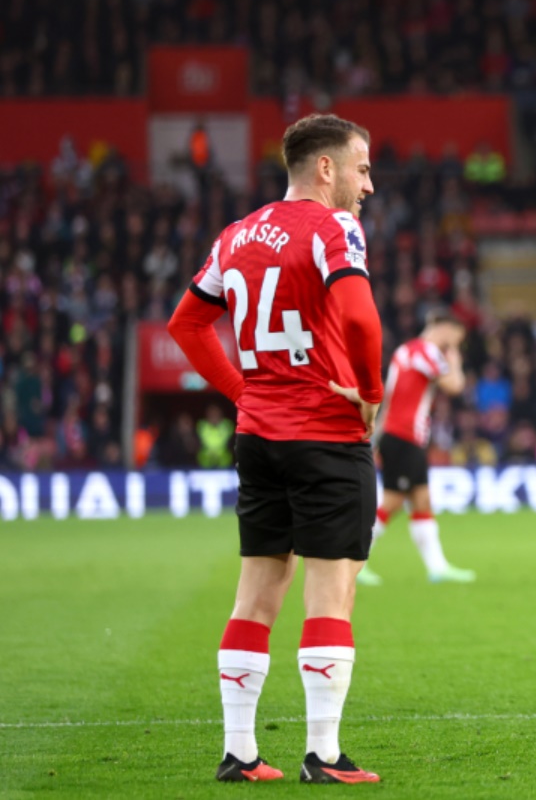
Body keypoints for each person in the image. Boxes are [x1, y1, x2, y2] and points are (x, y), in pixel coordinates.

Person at [168, 113, 383, 784]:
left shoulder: (236, 235)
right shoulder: (334, 227)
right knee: (330, 595)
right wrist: (371, 390)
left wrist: (242, 390)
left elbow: (187, 322)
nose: (367, 185)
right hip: (324, 430)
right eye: (362, 167)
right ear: (327, 168)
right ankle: (322, 753)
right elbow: (358, 313)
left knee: (254, 594)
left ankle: (239, 751)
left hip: (258, 435)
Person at [359, 312, 474, 586]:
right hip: (405, 436)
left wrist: (378, 435)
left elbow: (391, 395)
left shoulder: (404, 350)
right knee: (394, 501)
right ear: (446, 329)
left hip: (397, 435)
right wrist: (455, 361)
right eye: (456, 339)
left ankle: (438, 568)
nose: (454, 345)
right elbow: (455, 386)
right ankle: (356, 560)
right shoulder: (429, 351)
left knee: (421, 501)